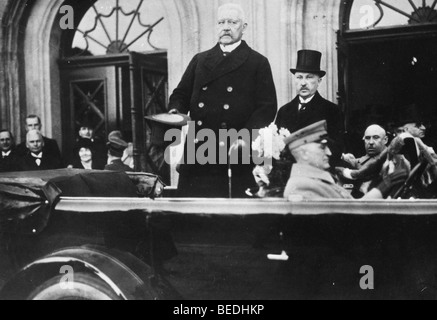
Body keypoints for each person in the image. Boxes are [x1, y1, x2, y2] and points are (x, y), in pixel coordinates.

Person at [168, 3, 277, 198]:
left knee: (232, 217)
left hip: (236, 151)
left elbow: (267, 107)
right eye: (221, 22)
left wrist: (245, 137)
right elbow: (180, 94)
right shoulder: (200, 60)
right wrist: (175, 110)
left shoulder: (257, 62)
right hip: (199, 149)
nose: (226, 27)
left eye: (232, 22)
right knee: (192, 216)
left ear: (243, 27)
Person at [283, 121, 408, 200]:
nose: (329, 152)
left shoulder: (315, 181)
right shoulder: (302, 186)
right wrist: (382, 188)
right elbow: (351, 214)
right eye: (322, 147)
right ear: (304, 154)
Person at [275, 50, 345, 165]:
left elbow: (336, 149)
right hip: (288, 173)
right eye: (299, 77)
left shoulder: (331, 110)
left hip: (316, 172)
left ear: (319, 81)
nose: (303, 83)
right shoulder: (284, 111)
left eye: (309, 77)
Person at [336, 125, 389, 196]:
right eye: (367, 138)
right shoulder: (366, 158)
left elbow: (367, 169)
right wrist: (343, 157)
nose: (370, 142)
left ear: (385, 140)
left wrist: (344, 171)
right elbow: (360, 162)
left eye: (376, 138)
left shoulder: (392, 158)